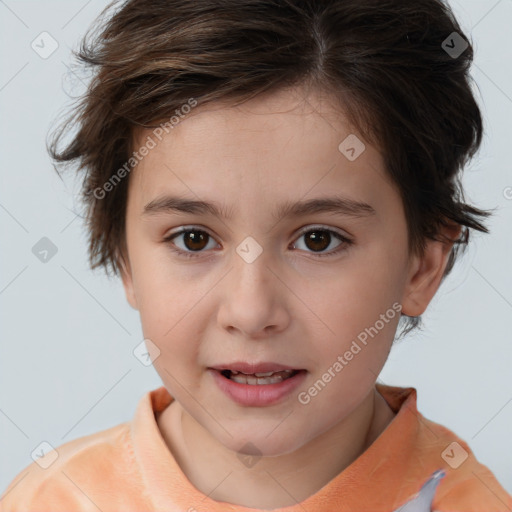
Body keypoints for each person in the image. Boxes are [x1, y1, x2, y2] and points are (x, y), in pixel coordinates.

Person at [1, 0, 511, 510]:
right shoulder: (51, 500)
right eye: (193, 239)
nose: (250, 312)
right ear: (126, 259)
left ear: (422, 265)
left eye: (318, 240)